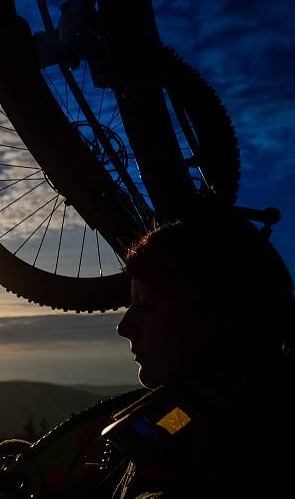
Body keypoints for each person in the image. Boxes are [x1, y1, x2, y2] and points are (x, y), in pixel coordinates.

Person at [105, 210, 294, 498]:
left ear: (215, 315)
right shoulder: (196, 410)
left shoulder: (242, 449)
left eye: (146, 306)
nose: (124, 327)